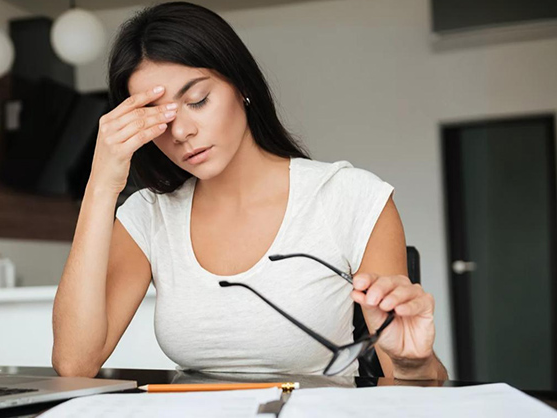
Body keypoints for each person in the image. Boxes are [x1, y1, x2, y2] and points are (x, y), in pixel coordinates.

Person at [52, 1, 447, 380]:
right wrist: (101, 184)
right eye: (157, 119)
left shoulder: (349, 197)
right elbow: (75, 363)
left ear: (241, 85)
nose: (182, 132)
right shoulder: (149, 216)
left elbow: (406, 384)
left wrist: (413, 364)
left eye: (198, 100)